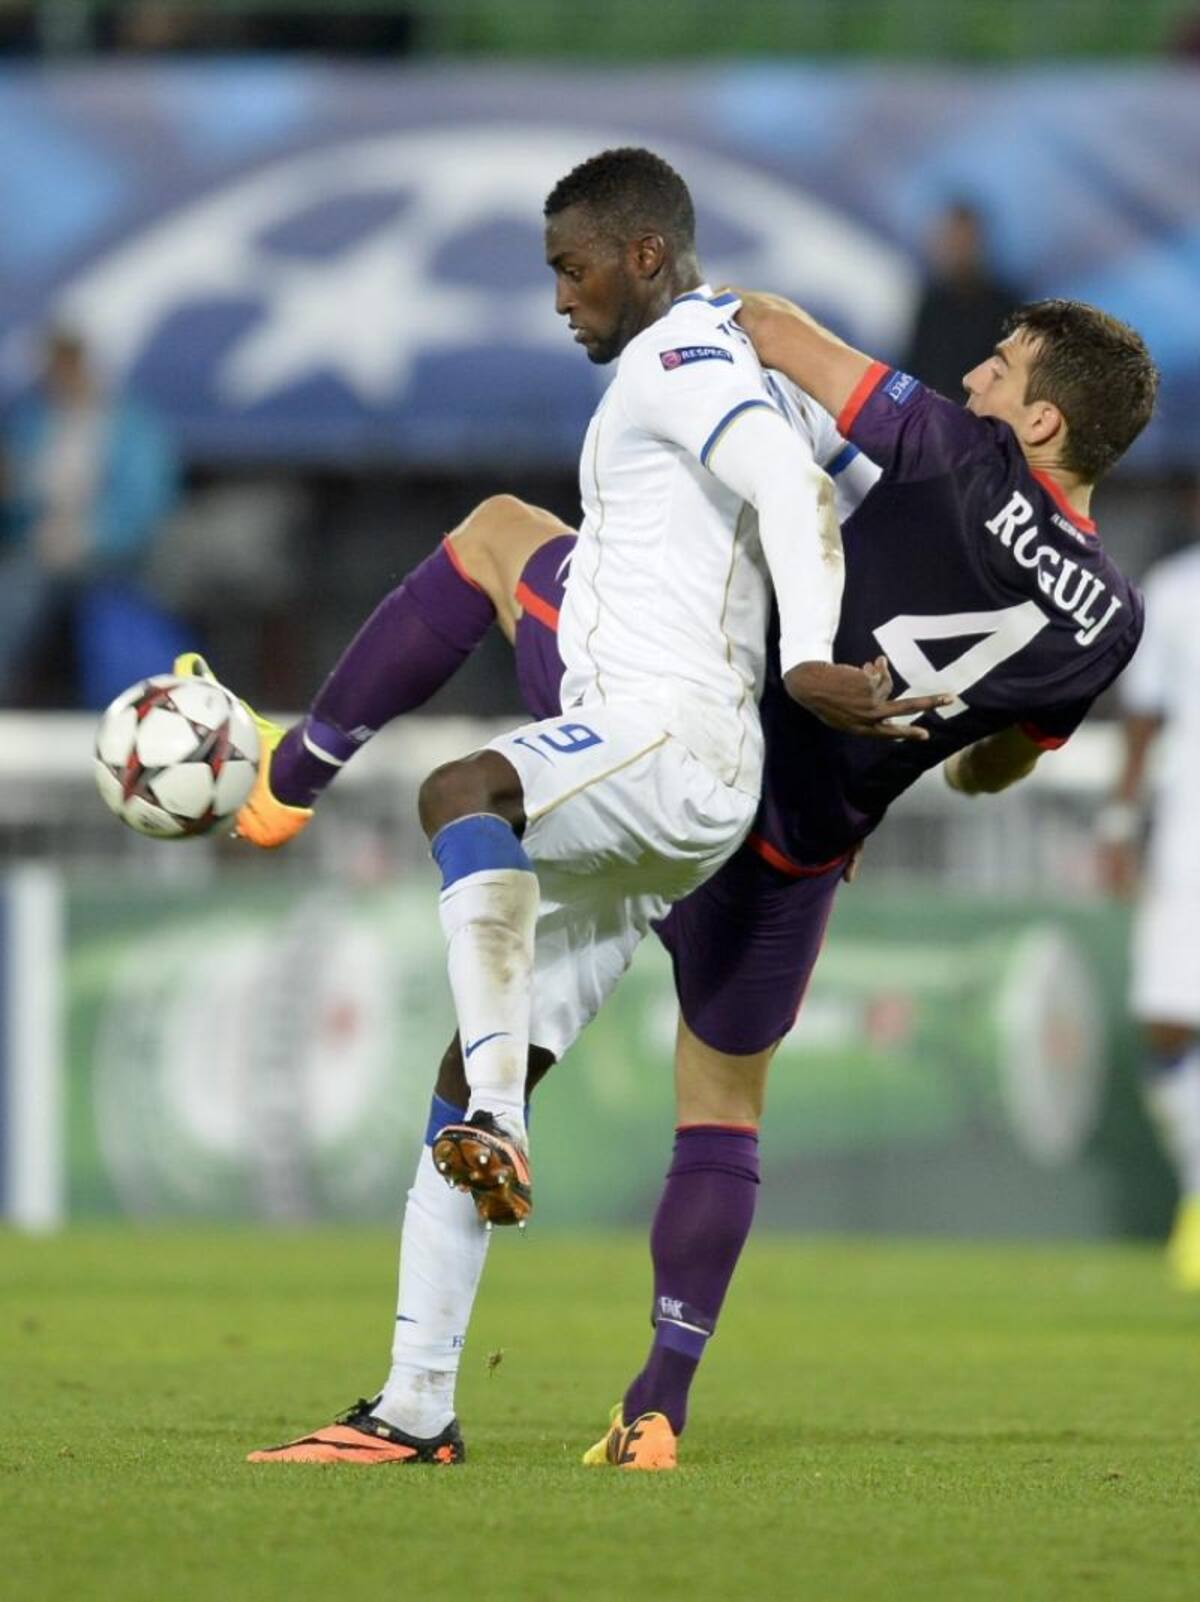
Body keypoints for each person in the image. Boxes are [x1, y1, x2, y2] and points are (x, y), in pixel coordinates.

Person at [233, 290, 1154, 1463]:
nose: (974, 376)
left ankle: (293, 773)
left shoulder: (959, 454)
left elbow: (775, 331)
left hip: (700, 741)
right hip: (792, 856)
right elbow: (996, 766)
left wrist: (693, 317)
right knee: (721, 1115)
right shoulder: (1111, 624)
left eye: (1001, 368)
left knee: (498, 536)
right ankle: (657, 1406)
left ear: (1041, 424)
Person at [1097, 509, 1200, 1288]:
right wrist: (1121, 822)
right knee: (1169, 1024)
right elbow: (1143, 723)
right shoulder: (1175, 592)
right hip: (1187, 838)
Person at [0, 326, 180, 707]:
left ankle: (124, 703)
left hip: (114, 554)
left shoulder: (131, 424)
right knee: (14, 593)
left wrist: (89, 539)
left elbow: (145, 504)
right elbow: (19, 506)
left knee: (111, 612)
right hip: (39, 550)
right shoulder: (31, 421)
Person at [902, 201, 1021, 403]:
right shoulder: (932, 304)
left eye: (964, 239)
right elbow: (916, 368)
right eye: (952, 240)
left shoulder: (1005, 306)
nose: (957, 248)